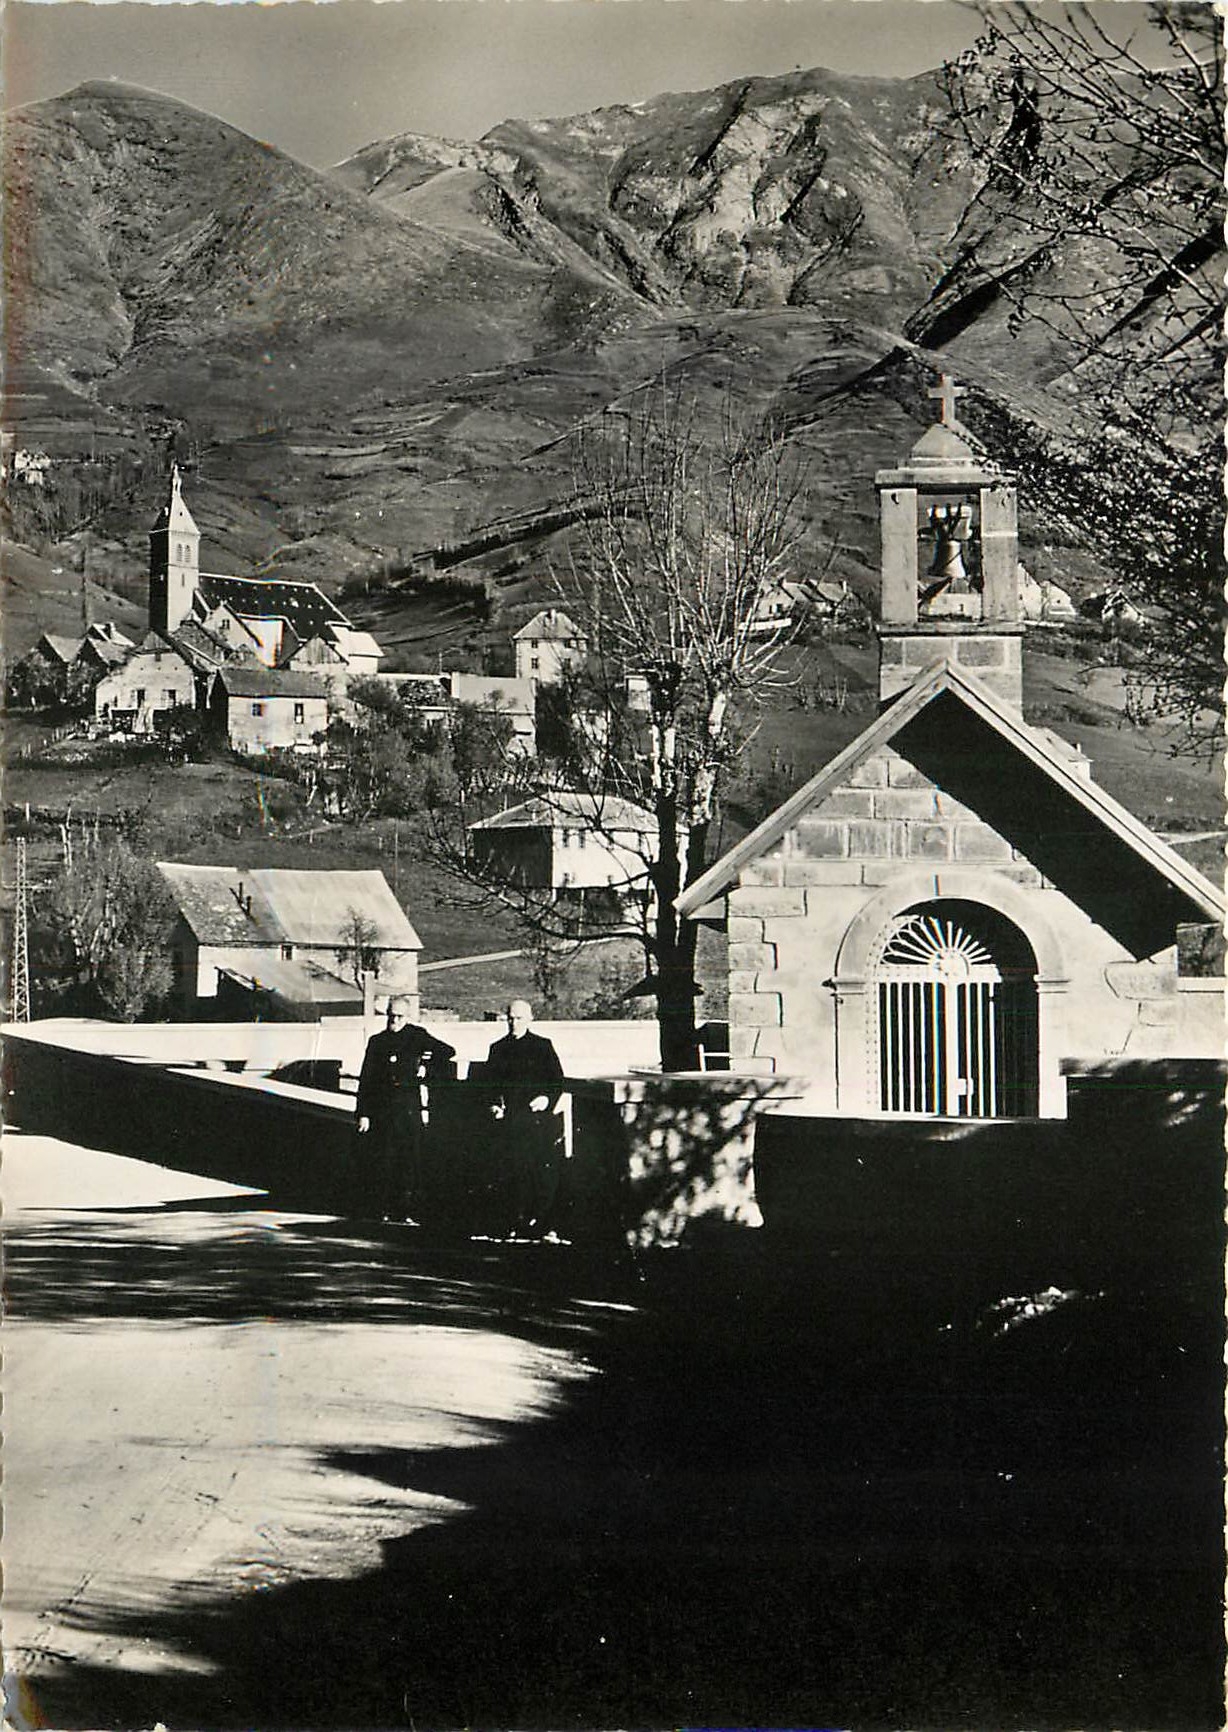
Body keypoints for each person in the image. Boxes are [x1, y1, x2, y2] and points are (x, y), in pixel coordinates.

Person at [354, 996, 456, 1222]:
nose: (395, 1020)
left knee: (409, 1161)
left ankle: (406, 1210)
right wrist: (363, 1113)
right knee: (384, 1161)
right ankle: (383, 1209)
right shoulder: (377, 1042)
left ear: (407, 1017)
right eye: (391, 1015)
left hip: (408, 1111)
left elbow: (448, 1051)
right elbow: (367, 1079)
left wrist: (425, 1064)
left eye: (399, 1016)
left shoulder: (416, 1036)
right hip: (382, 1112)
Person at [483, 999, 565, 1238]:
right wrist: (493, 1105)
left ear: (530, 1019)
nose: (514, 1023)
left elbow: (557, 1081)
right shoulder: (498, 1049)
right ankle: (512, 1222)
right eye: (510, 1018)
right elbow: (488, 1085)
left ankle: (537, 1223)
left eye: (519, 1018)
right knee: (510, 1171)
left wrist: (546, 1098)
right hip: (508, 1120)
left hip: (536, 1122)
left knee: (537, 1171)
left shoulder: (542, 1046)